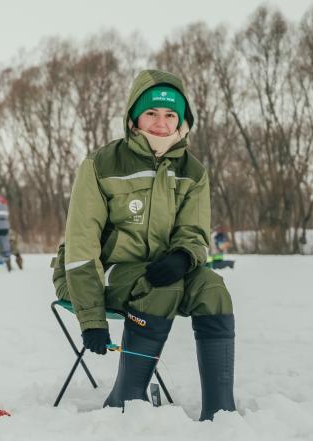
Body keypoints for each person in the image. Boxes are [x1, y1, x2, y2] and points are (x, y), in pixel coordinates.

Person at [51, 69, 236, 421]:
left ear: (182, 121)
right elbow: (81, 247)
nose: (161, 123)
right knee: (158, 288)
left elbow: (194, 232)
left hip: (166, 272)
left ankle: (220, 409)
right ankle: (126, 398)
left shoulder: (193, 172)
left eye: (170, 115)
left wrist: (184, 257)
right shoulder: (101, 164)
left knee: (214, 288)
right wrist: (91, 319)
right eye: (151, 113)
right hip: (97, 273)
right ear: (134, 118)